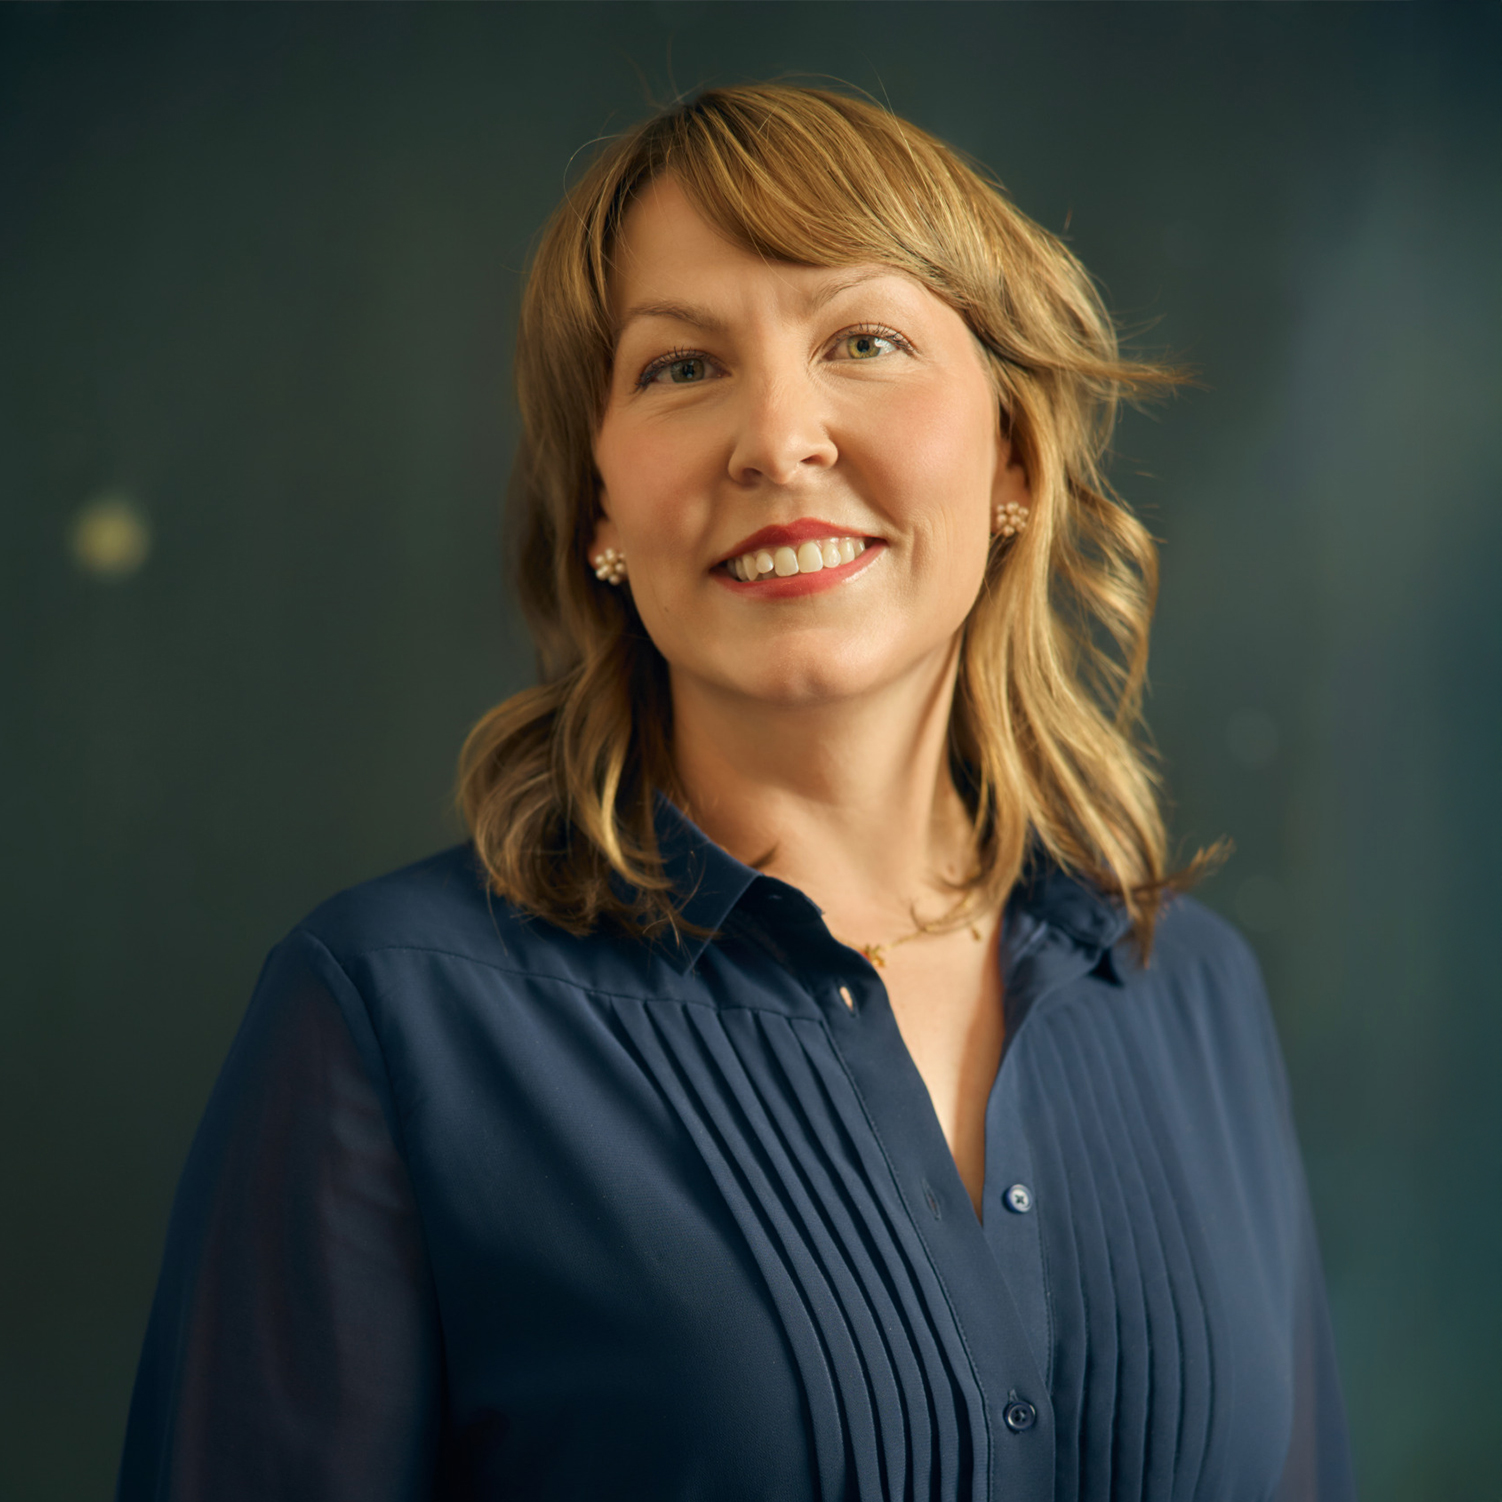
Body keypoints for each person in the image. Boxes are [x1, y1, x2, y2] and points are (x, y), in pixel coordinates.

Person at [117, 84, 1354, 1501]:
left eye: (864, 342)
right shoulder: (394, 1019)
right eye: (679, 369)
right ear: (597, 508)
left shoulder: (1186, 986)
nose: (777, 439)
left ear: (1013, 453)